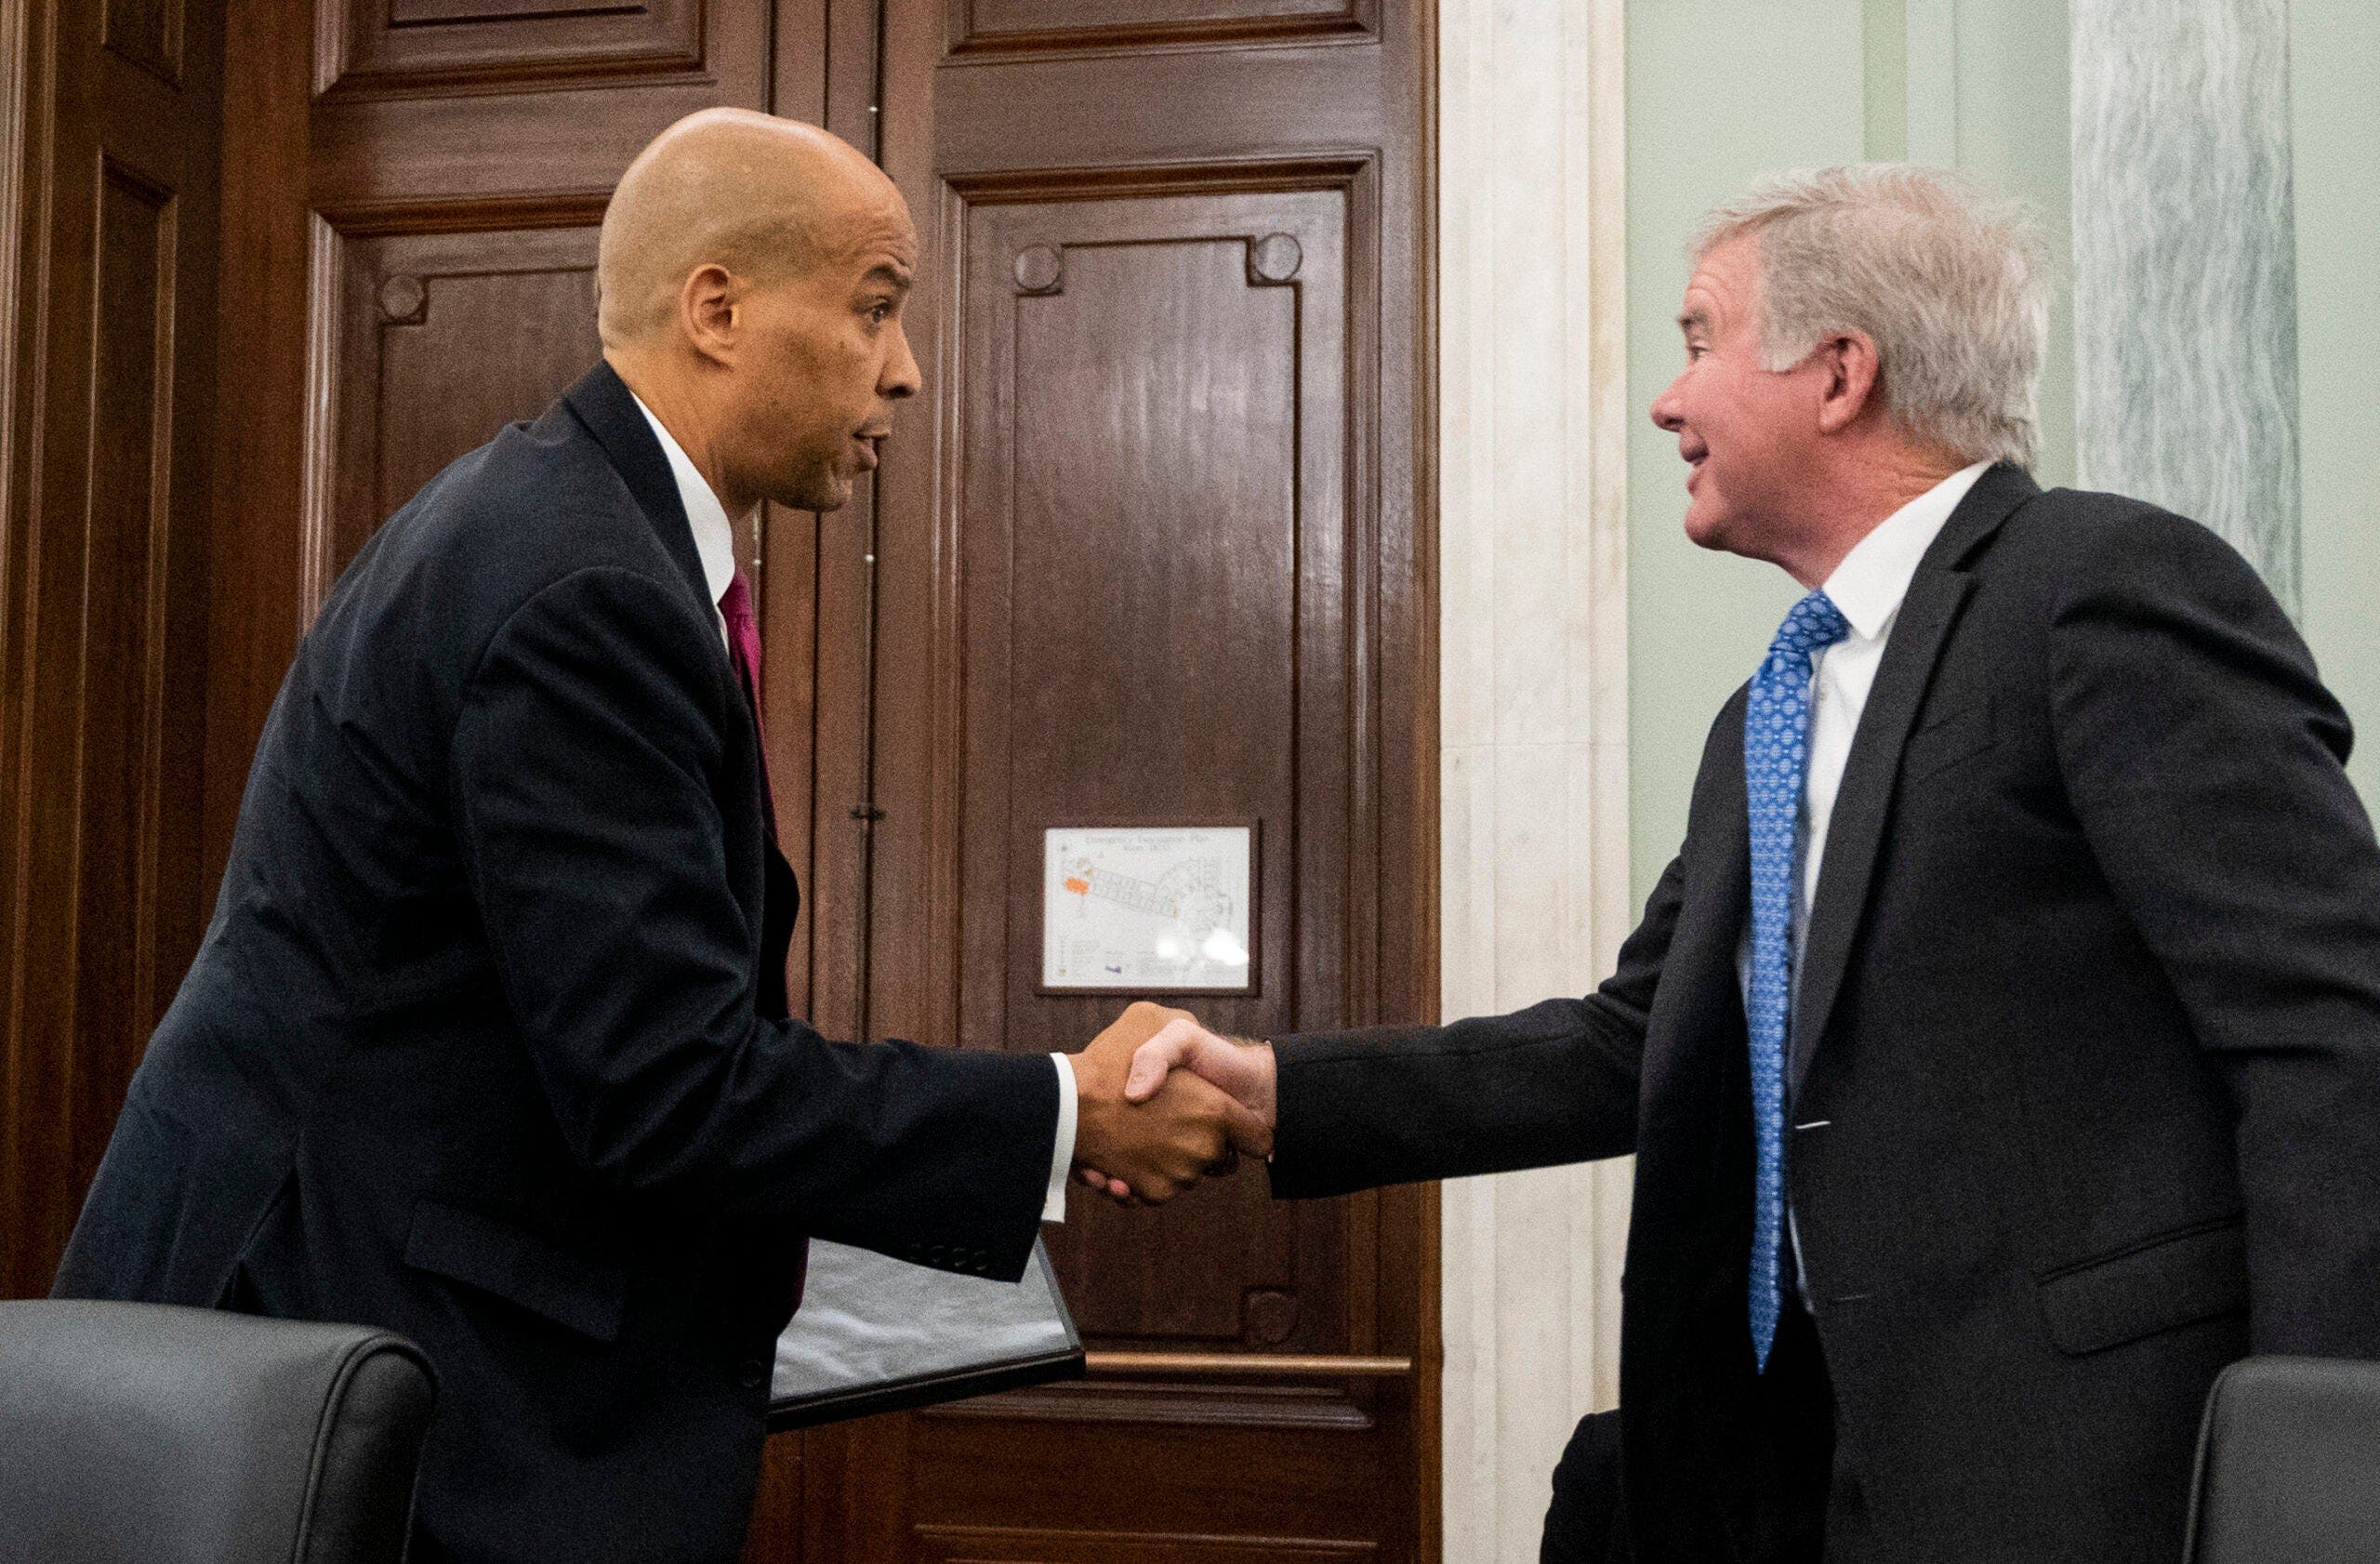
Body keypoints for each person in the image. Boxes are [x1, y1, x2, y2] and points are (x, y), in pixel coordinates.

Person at [1106, 165, 2380, 1563]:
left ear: (1841, 373)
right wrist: (1280, 1095)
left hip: (2100, 1470)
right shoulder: (1764, 716)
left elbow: (2326, 1025)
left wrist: (2318, 1455)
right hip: (1802, 1470)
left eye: (1700, 338)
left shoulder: (2100, 585)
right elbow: (1632, 1043)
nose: (1668, 398)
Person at [51, 110, 1263, 1564]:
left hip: (380, 1343)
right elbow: (665, 1086)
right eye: (876, 308)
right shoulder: (582, 585)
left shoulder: (564, 523)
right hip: (361, 1391)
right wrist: (1064, 1112)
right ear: (717, 308)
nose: (907, 369)